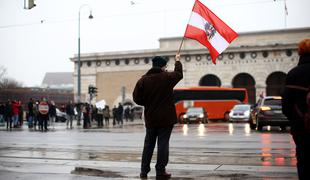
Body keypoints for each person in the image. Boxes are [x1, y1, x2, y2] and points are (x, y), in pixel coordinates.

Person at [133, 54, 183, 179]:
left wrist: (148, 103)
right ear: (163, 66)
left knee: (148, 145)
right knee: (163, 145)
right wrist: (177, 61)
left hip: (151, 118)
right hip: (166, 119)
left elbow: (136, 98)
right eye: (165, 66)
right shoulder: (167, 77)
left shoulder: (143, 80)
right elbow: (179, 74)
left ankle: (144, 171)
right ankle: (160, 171)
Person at [282, 39, 310, 180]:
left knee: (304, 160)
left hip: (302, 127)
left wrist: (295, 120)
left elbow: (286, 106)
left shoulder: (294, 74)